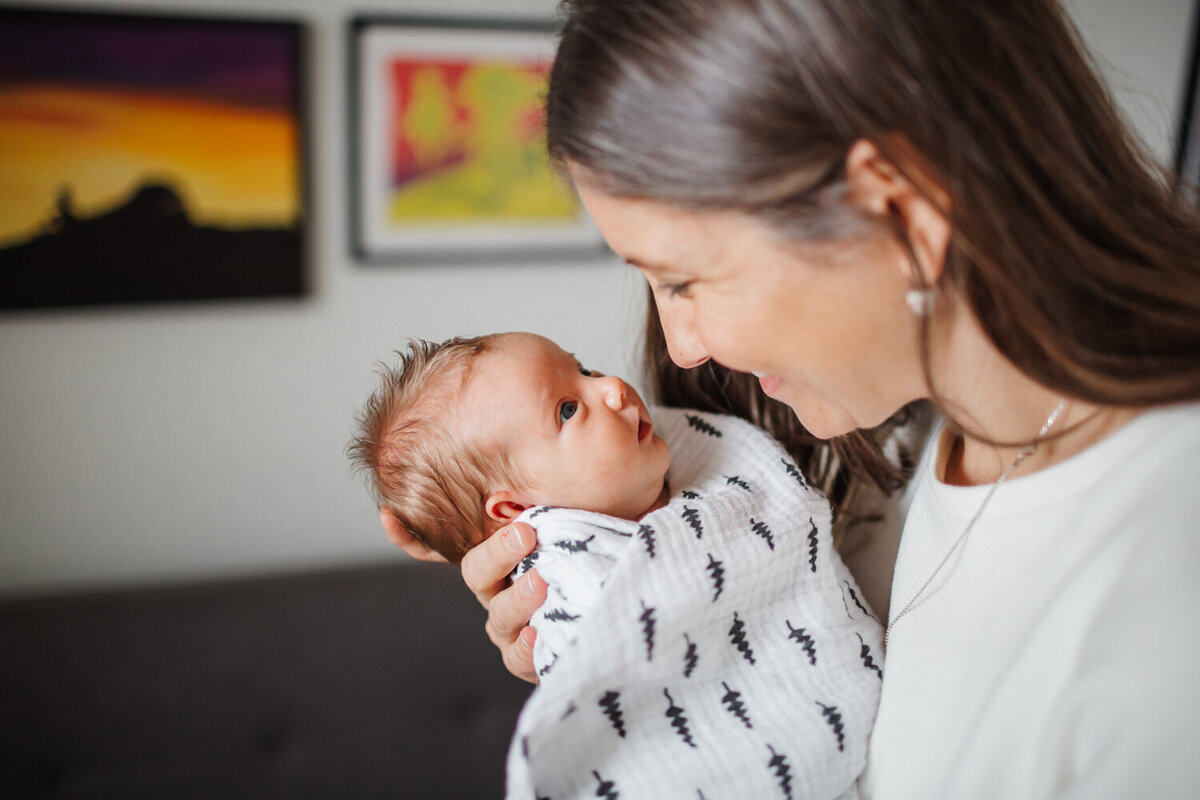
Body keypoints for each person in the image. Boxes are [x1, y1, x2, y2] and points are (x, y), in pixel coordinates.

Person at [382, 1, 1200, 798]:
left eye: (683, 280)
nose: (680, 349)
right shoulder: (871, 441)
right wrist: (608, 645)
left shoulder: (1160, 616)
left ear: (899, 210)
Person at [350, 331, 883, 798]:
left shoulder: (699, 454)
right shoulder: (570, 579)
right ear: (516, 512)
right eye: (566, 409)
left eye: (583, 368)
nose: (612, 387)